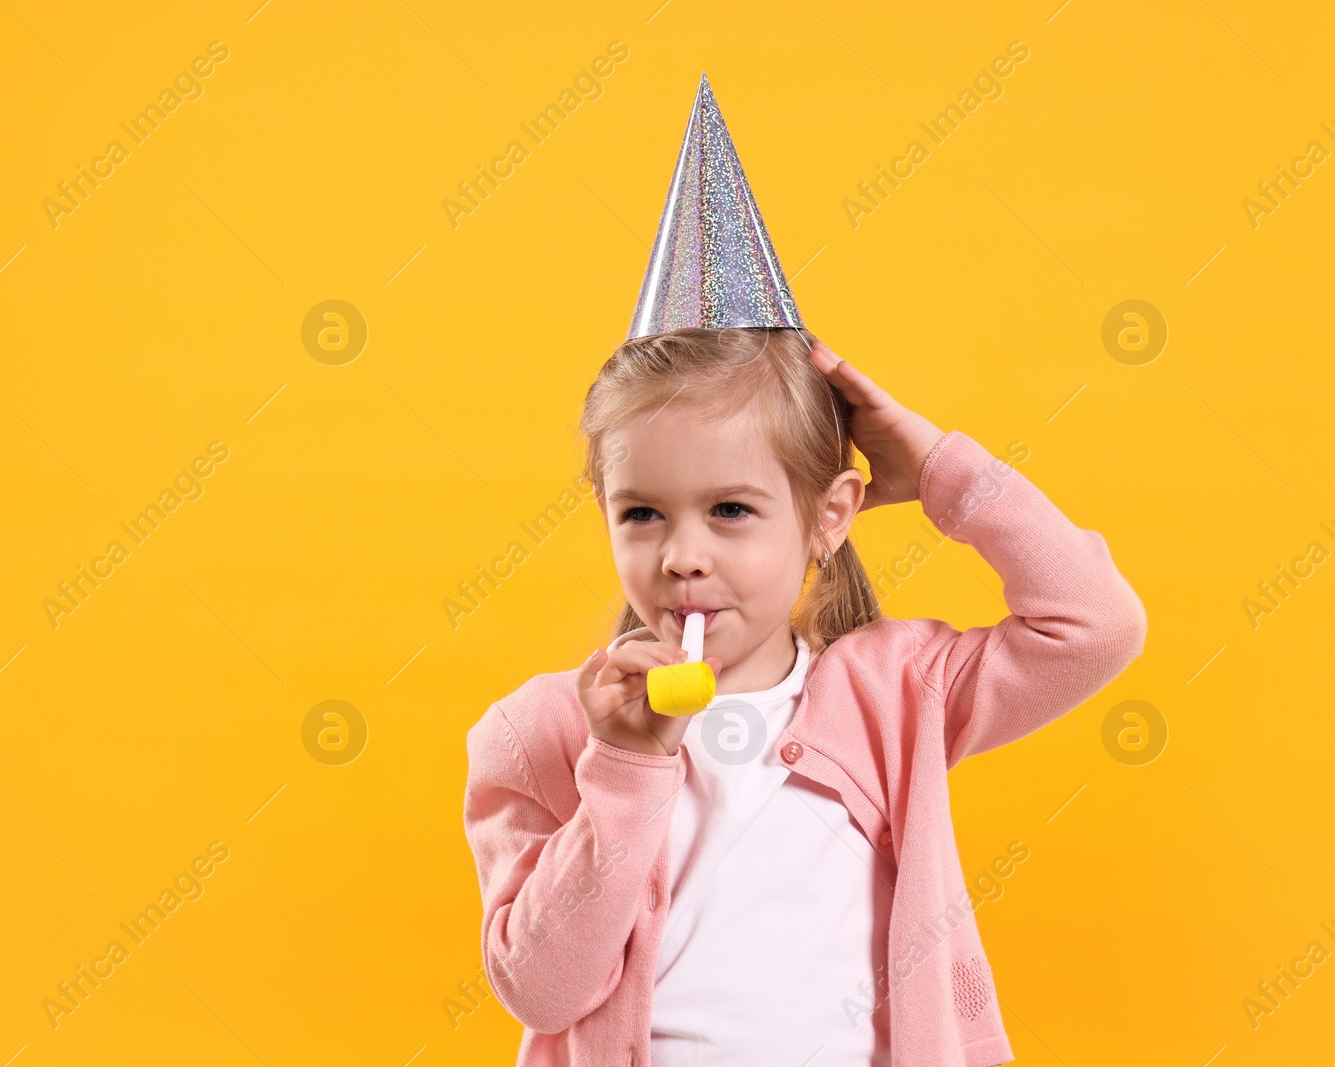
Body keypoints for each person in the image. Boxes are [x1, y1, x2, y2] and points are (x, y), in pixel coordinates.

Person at [462, 77, 1146, 1067]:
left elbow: (1095, 623)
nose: (683, 552)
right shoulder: (538, 733)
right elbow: (541, 984)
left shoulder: (895, 695)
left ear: (827, 516)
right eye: (642, 512)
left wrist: (942, 468)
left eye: (731, 510)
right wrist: (625, 764)